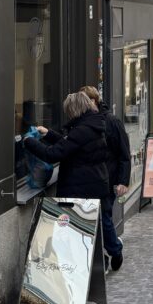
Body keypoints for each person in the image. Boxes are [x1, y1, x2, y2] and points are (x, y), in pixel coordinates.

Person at [81, 86, 130, 271]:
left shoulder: (112, 121)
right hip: (89, 178)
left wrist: (123, 181)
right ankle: (101, 257)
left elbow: (124, 153)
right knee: (92, 218)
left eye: (85, 102)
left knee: (104, 217)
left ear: (93, 101)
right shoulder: (83, 121)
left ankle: (115, 251)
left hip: (108, 179)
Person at [23, 91, 110, 198]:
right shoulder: (92, 124)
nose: (68, 115)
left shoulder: (82, 130)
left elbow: (52, 154)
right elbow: (71, 145)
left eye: (68, 111)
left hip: (80, 192)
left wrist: (29, 141)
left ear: (74, 110)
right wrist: (48, 133)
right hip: (93, 185)